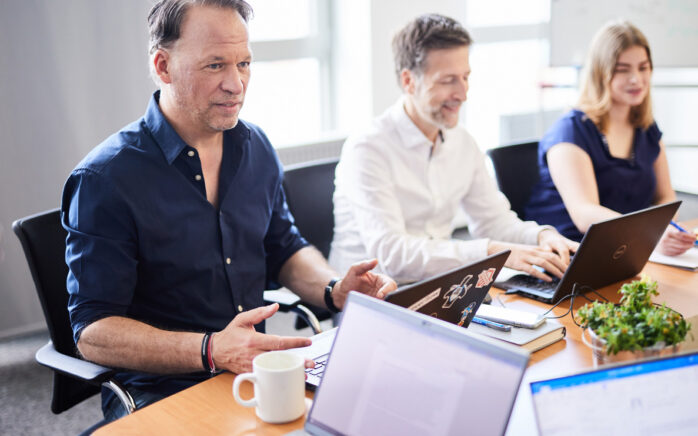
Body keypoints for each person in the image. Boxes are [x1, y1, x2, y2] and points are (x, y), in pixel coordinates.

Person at [61, 0, 395, 421]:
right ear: (163, 66)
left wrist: (334, 289)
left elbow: (283, 246)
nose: (236, 84)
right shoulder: (105, 179)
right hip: (162, 392)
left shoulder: (256, 147)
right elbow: (94, 333)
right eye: (215, 65)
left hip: (255, 375)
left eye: (244, 63)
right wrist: (211, 348)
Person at [329, 14, 577, 285]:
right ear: (408, 81)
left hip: (438, 288)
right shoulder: (367, 148)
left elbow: (493, 221)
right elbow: (391, 254)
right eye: (448, 81)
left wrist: (542, 236)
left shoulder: (462, 142)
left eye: (465, 77)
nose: (463, 93)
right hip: (371, 298)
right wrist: (491, 252)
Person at [524, 21, 694, 256]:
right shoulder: (569, 132)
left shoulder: (646, 127)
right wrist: (648, 233)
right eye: (622, 69)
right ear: (600, 73)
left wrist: (668, 229)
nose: (636, 79)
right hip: (571, 254)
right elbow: (584, 214)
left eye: (643, 68)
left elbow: (665, 196)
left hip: (627, 249)